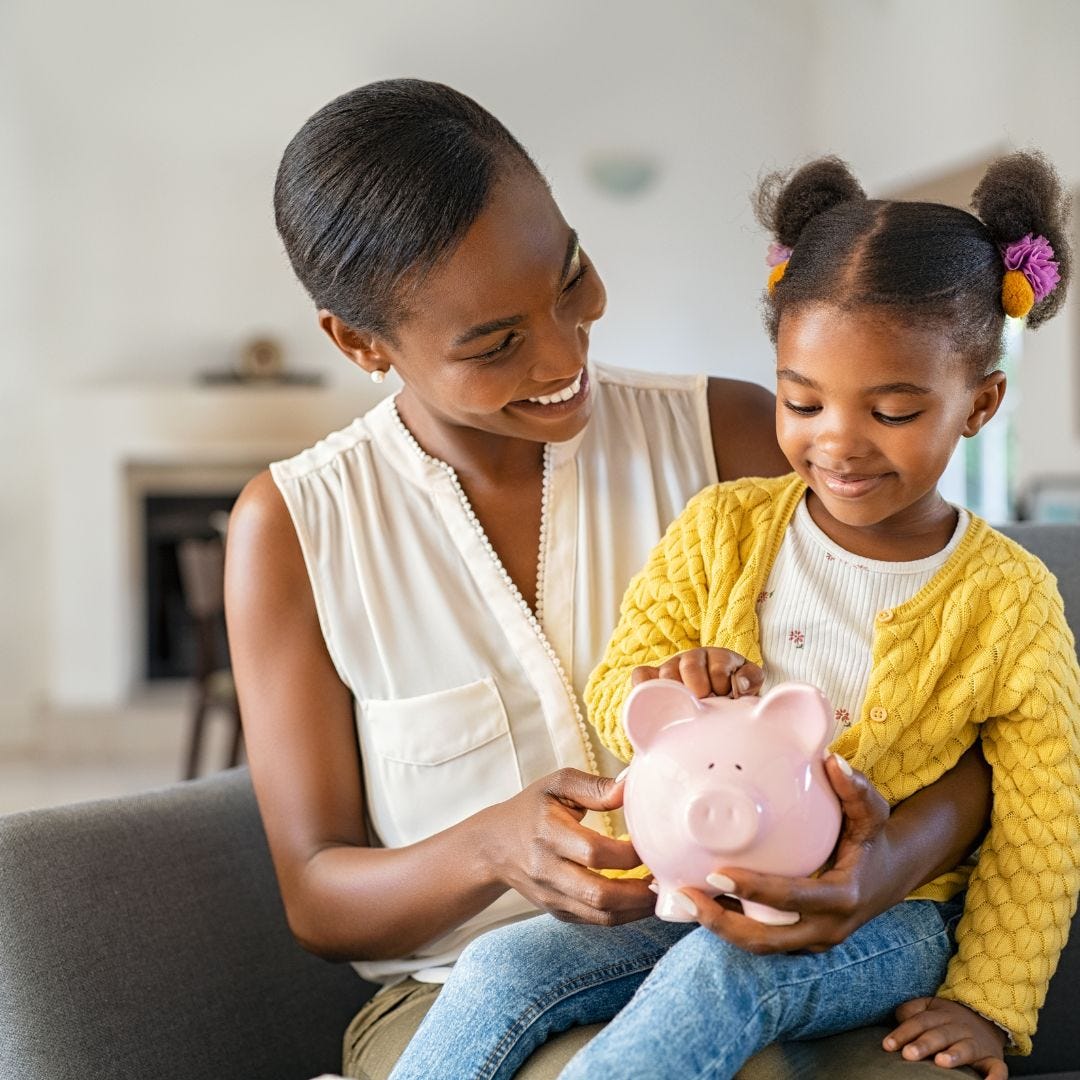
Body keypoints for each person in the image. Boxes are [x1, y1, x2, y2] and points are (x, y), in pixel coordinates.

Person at [225, 80, 994, 1080]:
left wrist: (880, 868)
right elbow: (318, 898)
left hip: (761, 949)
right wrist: (490, 849)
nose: (564, 349)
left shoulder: (735, 438)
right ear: (360, 344)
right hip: (461, 1001)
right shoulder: (295, 528)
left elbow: (976, 710)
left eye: (571, 274)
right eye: (496, 343)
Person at [386, 152, 1080, 1080]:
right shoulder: (724, 528)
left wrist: (987, 1004)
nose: (837, 440)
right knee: (509, 963)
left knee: (721, 977)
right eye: (803, 401)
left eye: (895, 410)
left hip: (894, 918)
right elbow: (616, 689)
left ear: (979, 405)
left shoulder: (1010, 600)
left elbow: (1044, 821)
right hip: (691, 880)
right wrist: (669, 682)